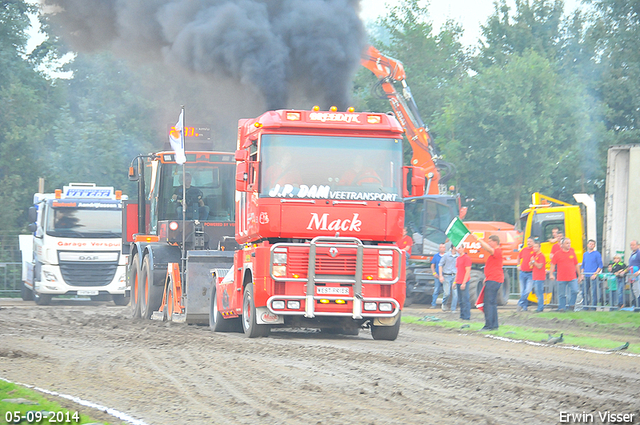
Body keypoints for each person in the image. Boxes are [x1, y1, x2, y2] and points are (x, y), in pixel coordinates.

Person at [477, 235, 503, 330]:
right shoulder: (497, 252)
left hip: (493, 280)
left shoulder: (497, 251)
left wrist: (479, 239)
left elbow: (488, 249)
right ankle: (494, 325)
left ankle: (488, 325)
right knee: (492, 303)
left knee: (488, 303)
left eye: (490, 241)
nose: (489, 243)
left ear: (495, 242)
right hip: (492, 279)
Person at [549, 238, 582, 311]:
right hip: (561, 278)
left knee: (575, 291)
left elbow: (576, 264)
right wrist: (551, 274)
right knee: (561, 294)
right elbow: (552, 264)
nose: (569, 245)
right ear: (562, 245)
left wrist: (579, 275)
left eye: (569, 243)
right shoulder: (557, 254)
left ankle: (571, 305)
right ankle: (562, 308)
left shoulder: (572, 253)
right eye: (567, 243)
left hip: (572, 277)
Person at [581, 239, 603, 309]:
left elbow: (600, 265)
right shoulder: (585, 254)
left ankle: (593, 307)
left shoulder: (597, 254)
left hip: (593, 276)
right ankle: (585, 306)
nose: (591, 245)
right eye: (590, 244)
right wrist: (582, 274)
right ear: (587, 245)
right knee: (584, 292)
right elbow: (583, 265)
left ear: (594, 246)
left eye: (592, 244)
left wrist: (595, 274)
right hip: (586, 276)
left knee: (594, 293)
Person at [454, 244, 472, 320]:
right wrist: (455, 282)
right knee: (460, 300)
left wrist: (464, 282)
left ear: (463, 249)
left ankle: (467, 316)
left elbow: (467, 271)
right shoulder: (458, 258)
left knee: (465, 299)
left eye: (460, 248)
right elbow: (458, 271)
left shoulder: (467, 258)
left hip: (464, 281)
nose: (458, 250)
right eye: (458, 248)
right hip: (458, 281)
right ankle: (462, 315)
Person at [438, 243, 458, 312]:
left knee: (455, 294)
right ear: (453, 247)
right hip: (447, 275)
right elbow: (440, 265)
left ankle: (453, 309)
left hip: (455, 275)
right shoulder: (446, 255)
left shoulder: (458, 256)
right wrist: (441, 275)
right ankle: (444, 303)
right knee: (447, 293)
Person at [517, 237, 535, 311]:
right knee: (522, 291)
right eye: (528, 241)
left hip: (530, 273)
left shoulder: (534, 250)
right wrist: (518, 265)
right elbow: (518, 257)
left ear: (533, 242)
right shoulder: (524, 250)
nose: (528, 243)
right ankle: (524, 307)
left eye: (530, 241)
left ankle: (520, 303)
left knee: (527, 290)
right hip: (522, 272)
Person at [531, 241, 547, 312]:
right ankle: (539, 307)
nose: (534, 248)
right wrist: (532, 262)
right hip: (535, 276)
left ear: (539, 247)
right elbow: (531, 266)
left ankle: (540, 307)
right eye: (534, 247)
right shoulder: (535, 256)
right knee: (537, 293)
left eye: (536, 247)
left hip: (540, 277)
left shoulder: (541, 256)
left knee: (539, 292)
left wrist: (533, 262)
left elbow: (540, 266)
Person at [430, 243, 446, 309]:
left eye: (443, 247)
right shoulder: (436, 256)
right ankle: (433, 304)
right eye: (441, 247)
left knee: (446, 291)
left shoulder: (447, 256)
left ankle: (444, 305)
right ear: (439, 248)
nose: (442, 248)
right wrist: (434, 273)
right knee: (436, 290)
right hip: (438, 276)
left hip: (446, 276)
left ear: (445, 248)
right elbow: (432, 265)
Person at [628, 240, 640, 309]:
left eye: (633, 245)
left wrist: (638, 272)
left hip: (637, 276)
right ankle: (635, 306)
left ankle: (638, 307)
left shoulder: (639, 253)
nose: (632, 246)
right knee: (634, 291)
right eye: (631, 245)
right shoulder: (632, 254)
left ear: (637, 245)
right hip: (632, 275)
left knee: (637, 291)